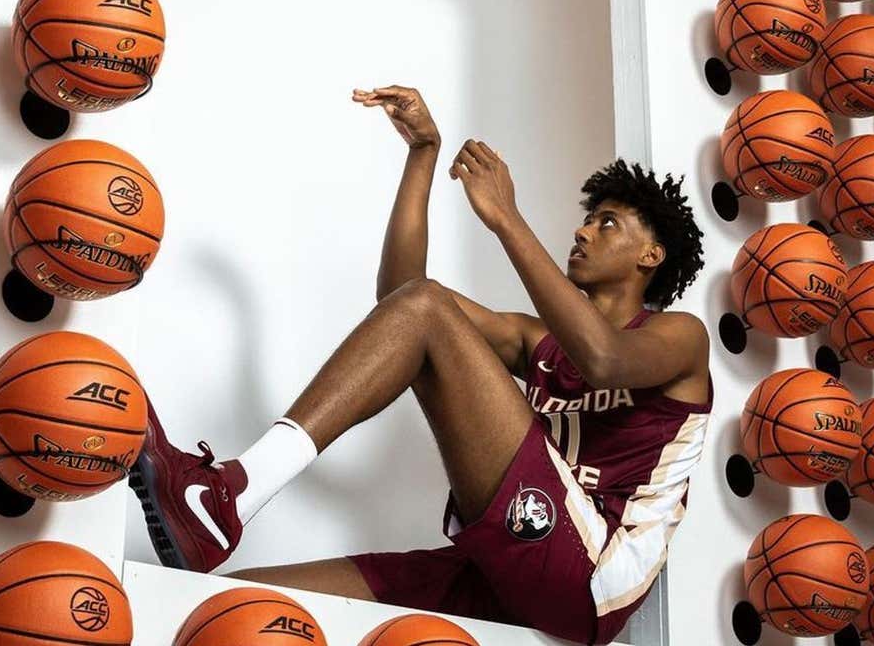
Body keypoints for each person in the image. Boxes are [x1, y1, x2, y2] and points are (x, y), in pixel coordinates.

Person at [128, 85, 711, 645]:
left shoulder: (680, 338)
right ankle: (219, 511)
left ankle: (231, 495)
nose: (583, 229)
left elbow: (604, 360)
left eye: (608, 222)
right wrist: (421, 155)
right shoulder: (540, 342)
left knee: (430, 311)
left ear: (651, 255)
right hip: (495, 564)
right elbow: (404, 299)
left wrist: (506, 217)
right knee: (224, 610)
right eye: (590, 217)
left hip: (588, 576)